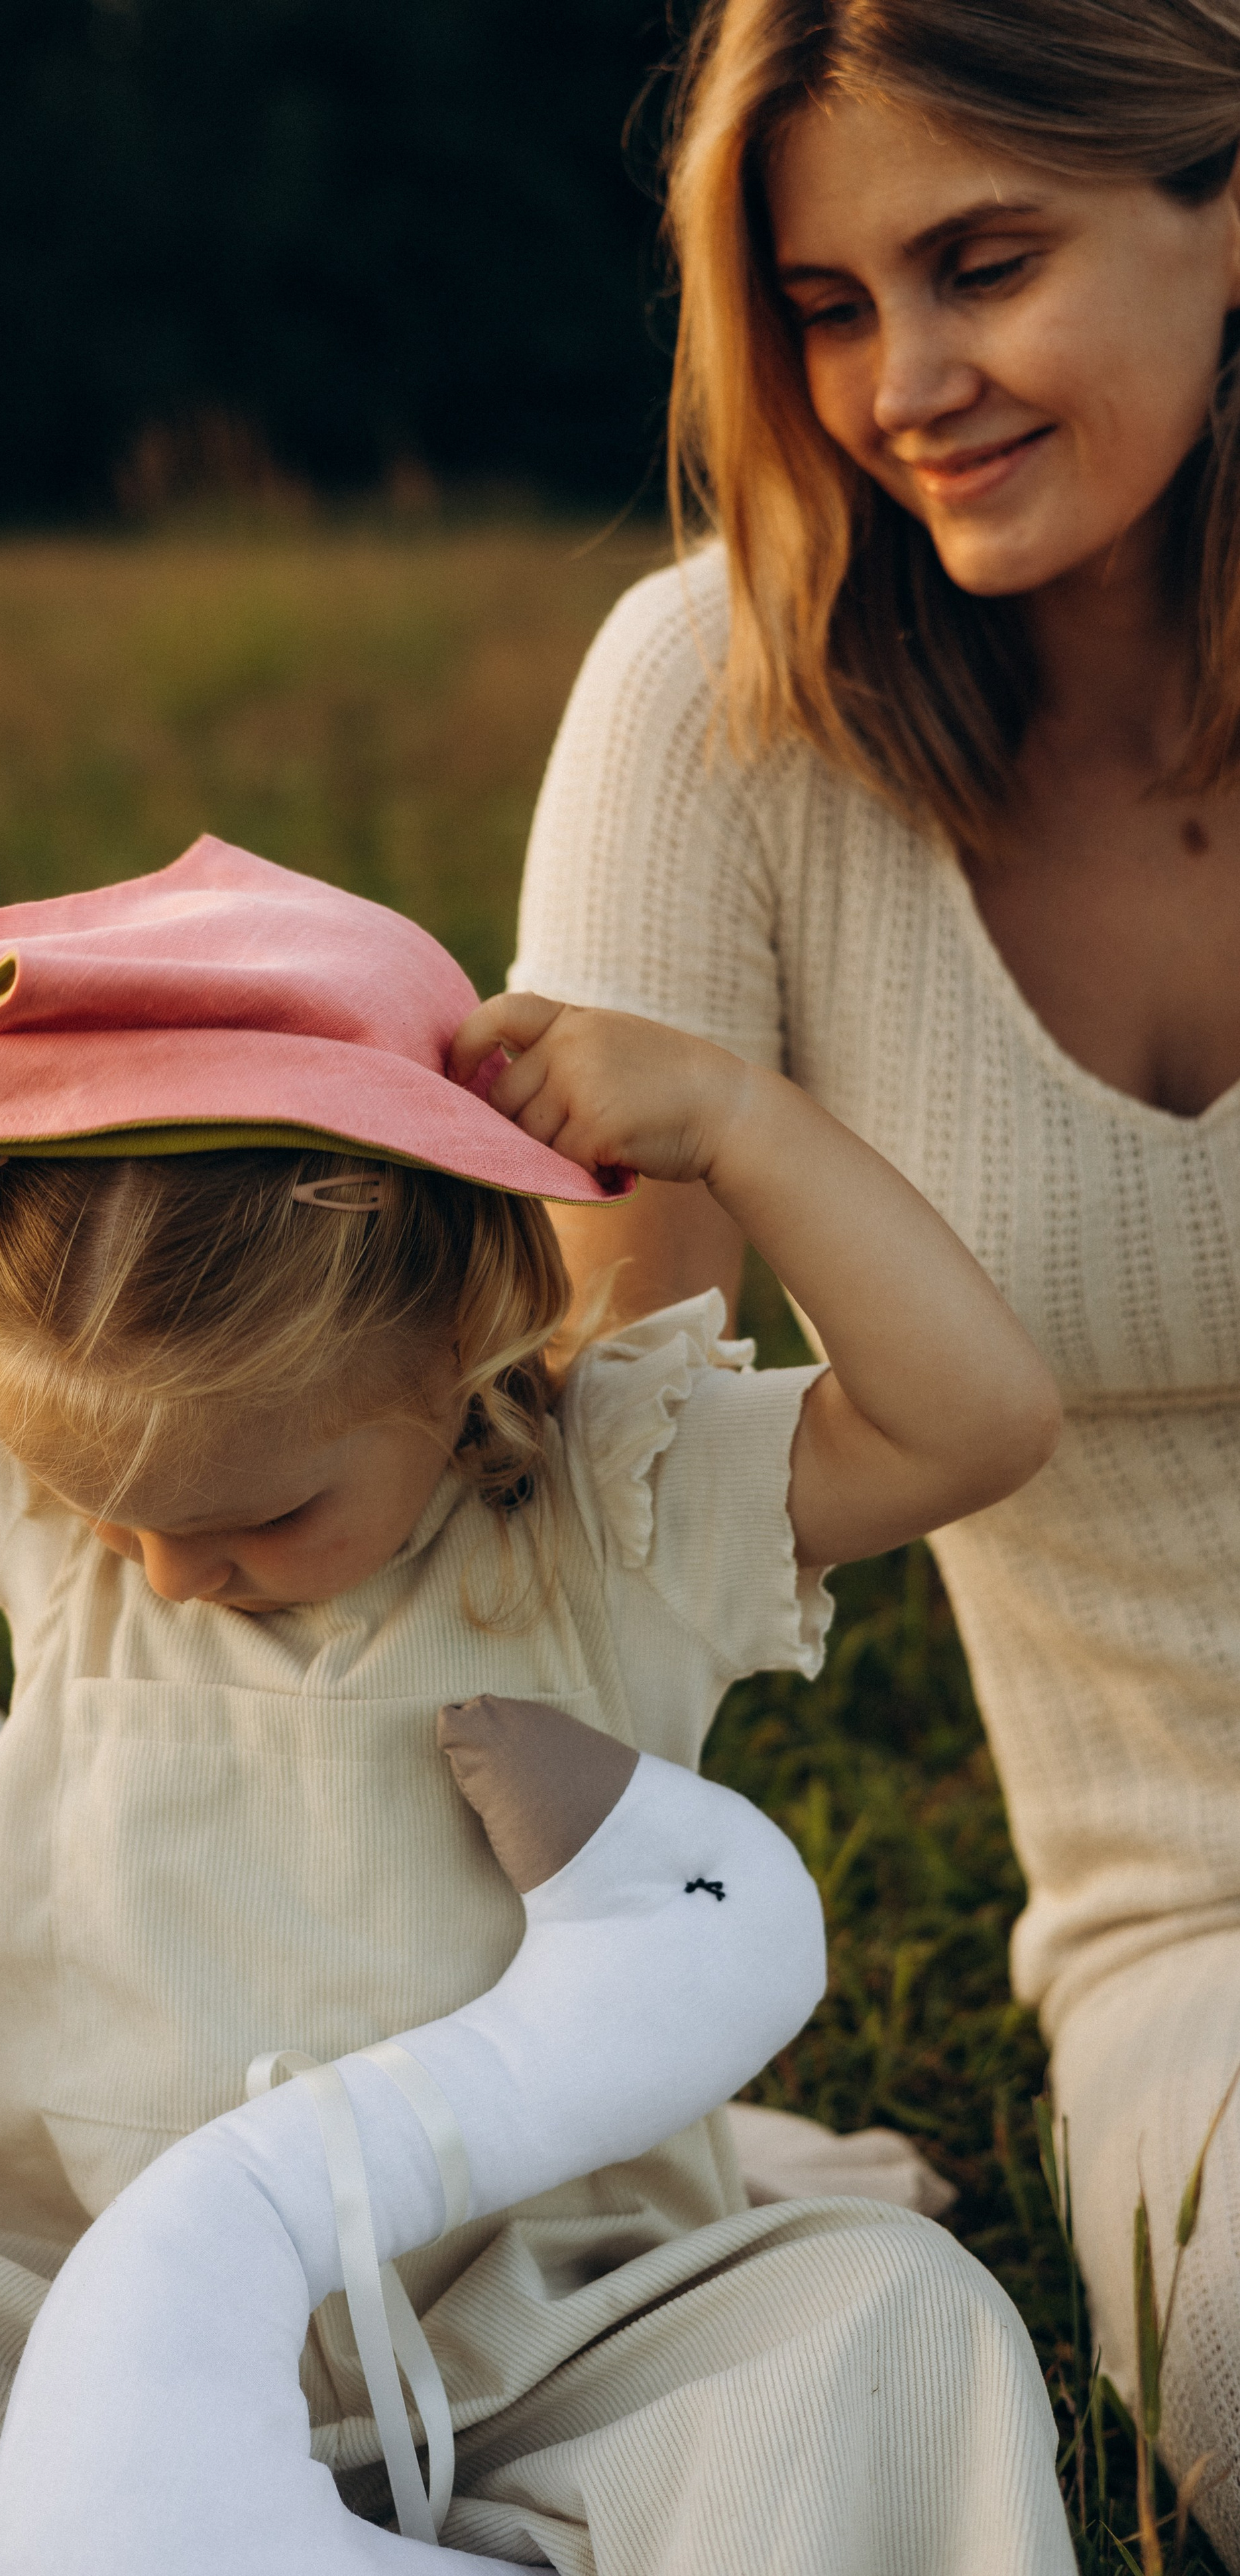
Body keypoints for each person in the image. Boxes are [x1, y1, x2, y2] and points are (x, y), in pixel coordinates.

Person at [0, 839, 1069, 2575]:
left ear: (463, 1341)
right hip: (46, 2284)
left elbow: (977, 1425)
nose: (175, 1571)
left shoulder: (611, 1506)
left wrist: (740, 1120)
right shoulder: (57, 1488)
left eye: (266, 1519)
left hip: (549, 2316)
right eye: (123, 1518)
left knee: (889, 2325)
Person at [510, 0, 1240, 2555]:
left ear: (1224, 205)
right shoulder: (713, 715)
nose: (904, 382)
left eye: (984, 261)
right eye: (825, 305)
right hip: (1203, 1916)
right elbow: (600, 1497)